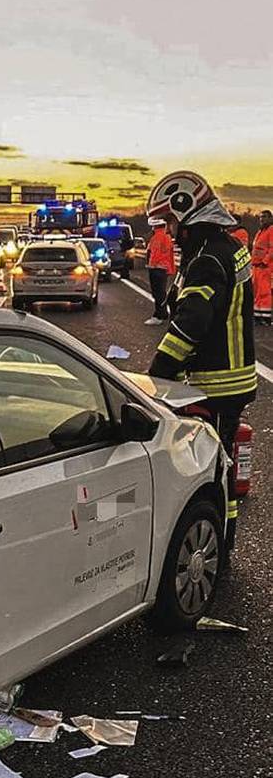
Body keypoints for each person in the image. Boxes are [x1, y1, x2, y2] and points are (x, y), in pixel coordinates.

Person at [146, 171, 256, 549]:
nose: (170, 231)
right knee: (222, 467)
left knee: (213, 471)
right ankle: (221, 541)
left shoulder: (207, 258)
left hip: (217, 383)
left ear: (187, 213)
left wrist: (158, 373)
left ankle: (217, 547)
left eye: (171, 221)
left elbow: (191, 323)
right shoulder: (226, 246)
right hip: (233, 377)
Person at [144, 218, 175, 324]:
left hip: (157, 268)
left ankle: (159, 315)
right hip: (163, 268)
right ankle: (163, 313)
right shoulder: (167, 236)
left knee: (158, 293)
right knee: (161, 292)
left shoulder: (157, 237)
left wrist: (150, 265)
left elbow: (154, 253)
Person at [251, 209, 273, 325]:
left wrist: (265, 262)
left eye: (264, 217)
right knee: (257, 292)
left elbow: (272, 249)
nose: (262, 219)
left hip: (265, 267)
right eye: (260, 217)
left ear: (270, 218)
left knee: (264, 292)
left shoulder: (271, 230)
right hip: (256, 266)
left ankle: (266, 317)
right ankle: (258, 316)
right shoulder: (260, 231)